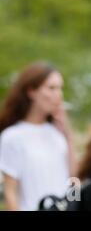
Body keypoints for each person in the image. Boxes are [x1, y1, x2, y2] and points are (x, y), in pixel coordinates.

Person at [0, 62, 77, 210]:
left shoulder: (58, 134)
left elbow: (75, 178)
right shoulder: (12, 136)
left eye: (60, 88)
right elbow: (11, 193)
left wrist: (68, 137)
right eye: (51, 88)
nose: (59, 95)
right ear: (31, 91)